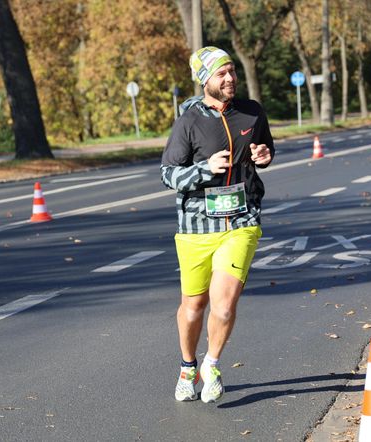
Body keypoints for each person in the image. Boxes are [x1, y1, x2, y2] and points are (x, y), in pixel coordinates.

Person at [160, 46, 274, 403]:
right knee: (193, 306)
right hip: (196, 226)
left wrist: (264, 156)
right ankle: (187, 366)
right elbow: (168, 174)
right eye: (221, 74)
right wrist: (203, 169)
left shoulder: (252, 112)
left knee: (223, 305)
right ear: (204, 80)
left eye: (232, 71)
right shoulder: (189, 121)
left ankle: (212, 363)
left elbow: (264, 149)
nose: (230, 79)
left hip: (241, 219)